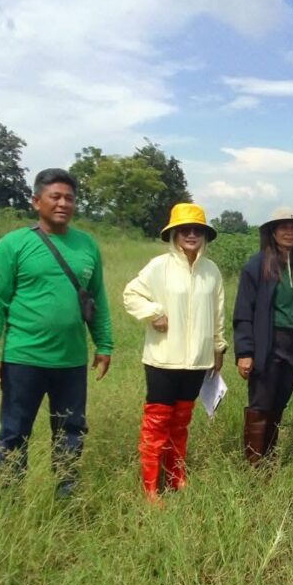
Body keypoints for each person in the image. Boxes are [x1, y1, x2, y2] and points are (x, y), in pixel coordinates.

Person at [0, 168, 113, 497]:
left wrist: (104, 344)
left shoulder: (86, 245)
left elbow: (96, 298)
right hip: (23, 358)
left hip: (71, 361)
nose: (63, 203)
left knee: (71, 431)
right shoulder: (14, 244)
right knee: (14, 431)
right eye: (55, 197)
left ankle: (66, 495)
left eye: (69, 198)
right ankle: (10, 498)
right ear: (36, 201)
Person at [123, 203, 226, 502]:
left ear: (204, 235)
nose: (191, 235)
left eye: (197, 230)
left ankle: (175, 478)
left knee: (181, 423)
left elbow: (218, 313)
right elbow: (131, 294)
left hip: (197, 361)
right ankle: (150, 488)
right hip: (162, 360)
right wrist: (153, 313)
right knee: (157, 423)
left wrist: (218, 347)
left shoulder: (211, 271)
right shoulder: (159, 266)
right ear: (174, 234)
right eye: (185, 230)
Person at [233, 207, 293, 464]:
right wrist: (245, 352)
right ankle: (255, 465)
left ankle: (268, 459)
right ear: (273, 232)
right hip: (266, 343)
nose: (290, 232)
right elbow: (243, 311)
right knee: (261, 403)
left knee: (279, 403)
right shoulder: (256, 266)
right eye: (283, 227)